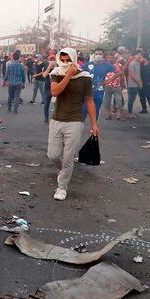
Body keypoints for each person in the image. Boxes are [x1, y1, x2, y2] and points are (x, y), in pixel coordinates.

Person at [47, 48, 100, 201]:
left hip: (75, 121)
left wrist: (94, 124)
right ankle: (63, 172)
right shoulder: (56, 73)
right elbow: (55, 92)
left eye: (68, 60)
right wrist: (68, 75)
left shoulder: (85, 77)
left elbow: (90, 101)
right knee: (53, 155)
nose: (65, 63)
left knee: (68, 157)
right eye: (62, 59)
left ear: (74, 59)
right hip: (57, 119)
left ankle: (62, 187)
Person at [85, 48, 114, 120]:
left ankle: (94, 127)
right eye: (96, 54)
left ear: (103, 55)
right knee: (84, 110)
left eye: (100, 54)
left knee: (96, 110)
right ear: (94, 55)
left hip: (99, 92)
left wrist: (108, 80)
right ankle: (80, 126)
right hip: (87, 92)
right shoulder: (87, 65)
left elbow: (119, 72)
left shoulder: (106, 65)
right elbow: (78, 72)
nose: (98, 56)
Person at [102, 54, 124, 120]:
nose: (110, 59)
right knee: (107, 101)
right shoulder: (104, 66)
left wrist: (123, 83)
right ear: (106, 58)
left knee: (119, 101)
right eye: (109, 58)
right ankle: (108, 115)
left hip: (117, 85)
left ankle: (118, 115)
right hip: (107, 86)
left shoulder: (119, 66)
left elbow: (122, 75)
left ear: (114, 59)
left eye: (112, 58)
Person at [125, 51, 143, 117]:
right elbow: (132, 75)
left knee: (133, 98)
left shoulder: (138, 63)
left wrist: (140, 82)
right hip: (132, 84)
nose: (140, 56)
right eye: (138, 55)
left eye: (140, 55)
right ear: (134, 56)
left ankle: (130, 112)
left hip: (136, 84)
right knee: (131, 99)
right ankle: (129, 113)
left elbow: (138, 74)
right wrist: (138, 82)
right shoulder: (132, 64)